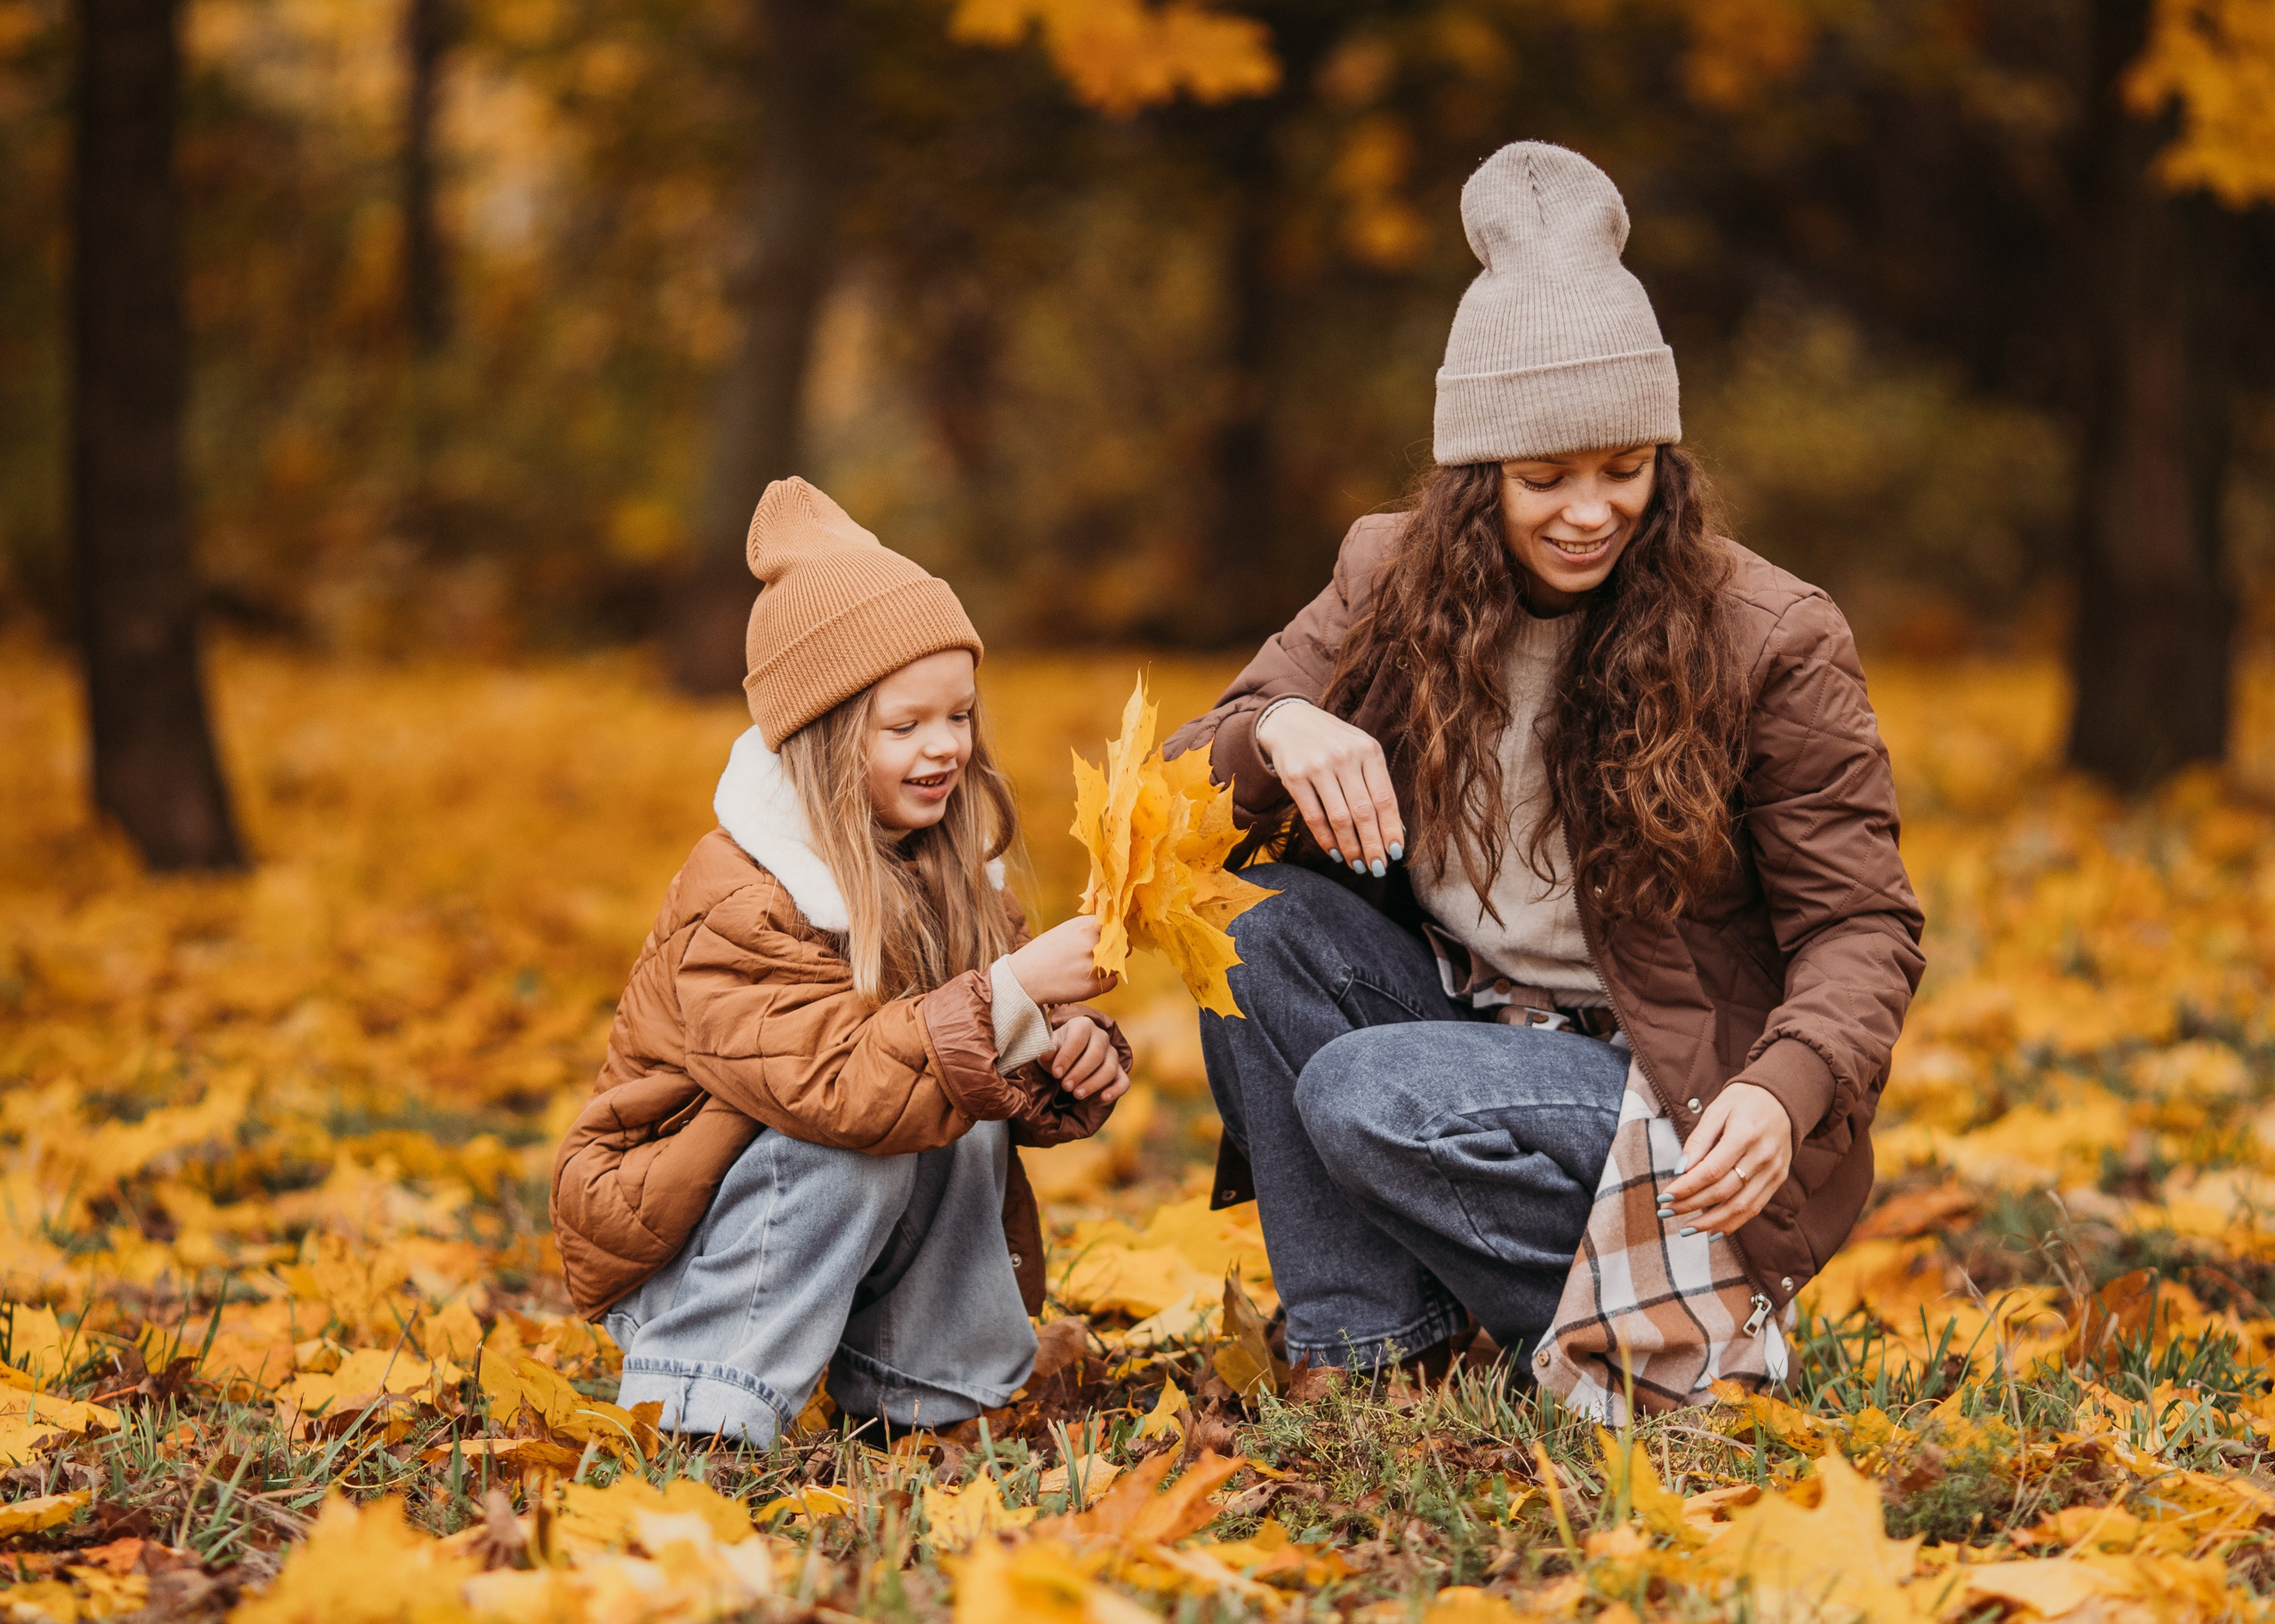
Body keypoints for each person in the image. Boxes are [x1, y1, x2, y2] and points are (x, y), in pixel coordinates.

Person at [1166, 142, 1924, 1398]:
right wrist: (1273, 733)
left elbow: (1862, 923)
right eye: (1545, 478)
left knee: (1366, 1088)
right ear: (1476, 481)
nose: (1590, 510)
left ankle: (1692, 1323)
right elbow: (1178, 789)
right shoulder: (1385, 578)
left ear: (1665, 465)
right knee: (1242, 925)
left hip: (1665, 1090)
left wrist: (1788, 1092)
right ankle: (1371, 1353)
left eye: (1625, 470)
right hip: (1460, 1016)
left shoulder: (1771, 633)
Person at [551, 477, 1130, 1445]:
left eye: (960, 715)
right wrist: (1008, 998)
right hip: (685, 1254)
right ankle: (700, 1403)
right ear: (819, 740)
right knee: (864, 1124)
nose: (945, 748)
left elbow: (959, 1058)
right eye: (904, 727)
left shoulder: (953, 874)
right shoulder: (742, 893)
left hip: (813, 1234)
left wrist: (1061, 1047)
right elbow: (833, 1086)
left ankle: (931, 1394)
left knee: (957, 1100)